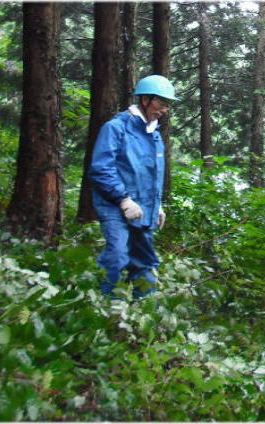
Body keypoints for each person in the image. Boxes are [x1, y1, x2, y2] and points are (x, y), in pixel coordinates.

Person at [89, 75, 178, 298]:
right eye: (161, 103)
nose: (164, 110)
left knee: (145, 264)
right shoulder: (115, 128)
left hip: (143, 209)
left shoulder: (154, 136)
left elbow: (153, 176)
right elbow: (101, 169)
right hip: (115, 206)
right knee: (117, 256)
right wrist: (123, 199)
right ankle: (104, 307)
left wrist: (157, 206)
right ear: (145, 99)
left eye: (167, 105)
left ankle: (144, 316)